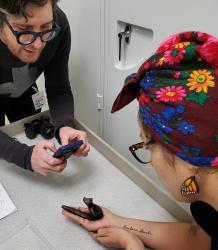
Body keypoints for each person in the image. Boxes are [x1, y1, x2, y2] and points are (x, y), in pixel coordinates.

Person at [62, 31, 218, 249]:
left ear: (189, 155)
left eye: (148, 146)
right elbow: (196, 240)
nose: (152, 161)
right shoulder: (208, 203)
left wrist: (132, 246)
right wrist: (118, 223)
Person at [0, 0, 90, 176]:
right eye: (24, 30)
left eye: (46, 28)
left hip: (25, 88)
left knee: (33, 130)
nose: (38, 45)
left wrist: (65, 125)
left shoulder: (59, 24)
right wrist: (26, 156)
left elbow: (59, 88)